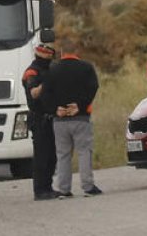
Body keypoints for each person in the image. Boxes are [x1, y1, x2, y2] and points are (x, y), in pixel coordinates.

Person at [34, 39, 101, 198]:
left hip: (60, 120)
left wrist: (55, 109)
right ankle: (88, 186)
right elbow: (93, 87)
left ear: (62, 53)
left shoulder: (53, 70)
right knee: (84, 152)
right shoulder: (86, 68)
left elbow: (44, 94)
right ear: (76, 52)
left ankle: (64, 189)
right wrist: (80, 105)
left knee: (63, 154)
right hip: (81, 118)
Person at [22, 43, 59, 201]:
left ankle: (48, 187)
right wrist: (47, 83)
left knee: (52, 156)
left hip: (51, 117)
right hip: (39, 118)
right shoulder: (32, 71)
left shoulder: (48, 70)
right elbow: (34, 93)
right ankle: (40, 190)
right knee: (42, 156)